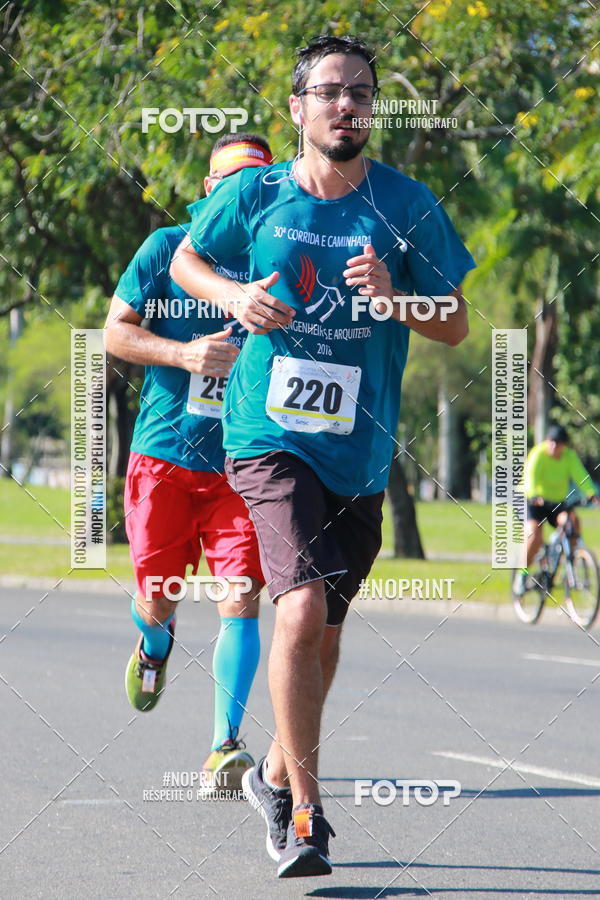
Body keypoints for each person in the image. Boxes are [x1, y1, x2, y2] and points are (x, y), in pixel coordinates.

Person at [171, 34, 474, 877]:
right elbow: (188, 260)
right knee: (297, 611)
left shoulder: (406, 205)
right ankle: (304, 815)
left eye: (363, 94)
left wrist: (396, 296)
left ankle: (273, 772)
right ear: (298, 110)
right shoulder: (254, 193)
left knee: (326, 637)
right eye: (332, 92)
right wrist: (234, 294)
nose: (349, 106)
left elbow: (452, 320)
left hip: (360, 454)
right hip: (267, 439)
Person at [104, 133, 273, 792]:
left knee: (241, 598)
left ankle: (223, 746)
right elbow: (114, 331)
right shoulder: (164, 250)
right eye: (228, 183)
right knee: (158, 596)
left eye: (255, 182)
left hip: (244, 465)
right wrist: (183, 355)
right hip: (165, 459)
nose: (240, 194)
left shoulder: (280, 258)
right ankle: (154, 642)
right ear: (209, 191)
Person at [513, 424, 598, 595]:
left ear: (564, 445)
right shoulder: (538, 454)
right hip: (531, 500)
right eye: (551, 441)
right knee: (534, 533)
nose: (554, 445)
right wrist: (534, 495)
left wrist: (592, 493)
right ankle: (521, 575)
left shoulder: (569, 457)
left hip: (556, 502)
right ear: (546, 441)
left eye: (558, 442)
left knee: (573, 522)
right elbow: (530, 477)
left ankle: (567, 560)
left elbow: (581, 476)